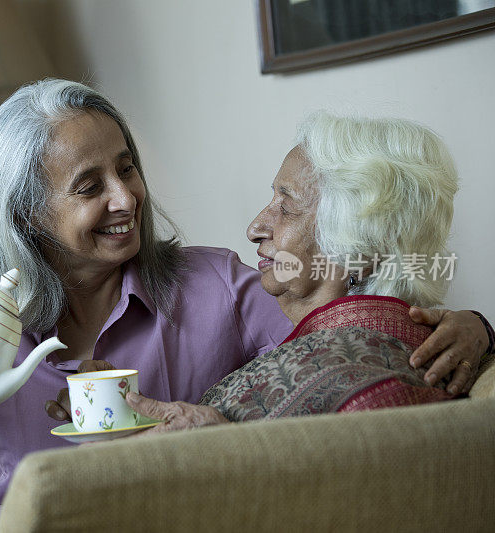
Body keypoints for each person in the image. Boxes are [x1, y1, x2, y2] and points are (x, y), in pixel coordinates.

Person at [0, 80, 490, 533]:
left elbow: (343, 334)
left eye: (127, 167)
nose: (126, 197)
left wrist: (478, 328)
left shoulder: (217, 288)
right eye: (90, 185)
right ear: (27, 212)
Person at [126, 112, 494, 431]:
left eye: (286, 209)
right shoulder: (346, 335)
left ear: (357, 250)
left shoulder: (365, 377)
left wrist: (226, 447)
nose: (254, 228)